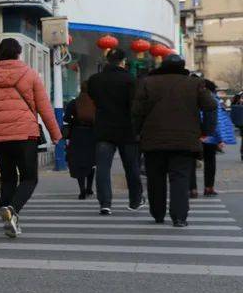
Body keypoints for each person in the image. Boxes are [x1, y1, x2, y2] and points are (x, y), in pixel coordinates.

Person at [0, 38, 62, 238]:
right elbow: (45, 108)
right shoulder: (30, 75)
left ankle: (11, 218)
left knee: (8, 180)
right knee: (29, 178)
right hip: (25, 136)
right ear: (18, 53)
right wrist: (56, 135)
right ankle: (12, 210)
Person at [131, 54, 217, 227]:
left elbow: (137, 111)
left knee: (155, 178)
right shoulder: (194, 83)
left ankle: (158, 214)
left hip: (153, 140)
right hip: (185, 140)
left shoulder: (148, 83)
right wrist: (205, 130)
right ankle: (179, 217)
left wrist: (138, 132)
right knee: (180, 178)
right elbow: (211, 106)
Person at [86, 48, 144, 215]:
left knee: (103, 168)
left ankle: (105, 203)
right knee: (131, 167)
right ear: (122, 61)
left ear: (107, 60)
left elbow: (93, 98)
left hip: (104, 129)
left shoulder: (95, 80)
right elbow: (135, 106)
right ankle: (135, 201)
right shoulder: (130, 80)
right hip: (127, 130)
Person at [189, 79, 237, 196]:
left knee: (190, 162)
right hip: (209, 137)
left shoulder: (189, 99)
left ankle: (192, 189)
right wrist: (220, 139)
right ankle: (208, 188)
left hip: (193, 136)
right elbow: (217, 122)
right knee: (210, 162)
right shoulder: (213, 100)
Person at [63, 81, 97, 199]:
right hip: (92, 135)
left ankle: (82, 190)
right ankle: (89, 188)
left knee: (79, 163)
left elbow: (66, 118)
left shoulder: (73, 103)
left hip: (77, 135)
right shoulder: (95, 102)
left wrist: (75, 121)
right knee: (91, 162)